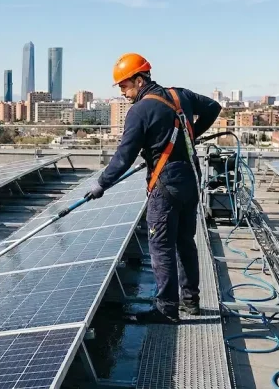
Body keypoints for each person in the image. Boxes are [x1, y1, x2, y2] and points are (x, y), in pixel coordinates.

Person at [86, 53, 221, 323]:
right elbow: (214, 107)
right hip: (189, 179)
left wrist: (102, 184)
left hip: (165, 184)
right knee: (185, 242)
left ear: (139, 79)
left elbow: (124, 155)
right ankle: (190, 301)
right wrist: (191, 134)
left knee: (160, 246)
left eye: (124, 86)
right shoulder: (179, 94)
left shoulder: (140, 111)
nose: (123, 93)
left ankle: (166, 310)